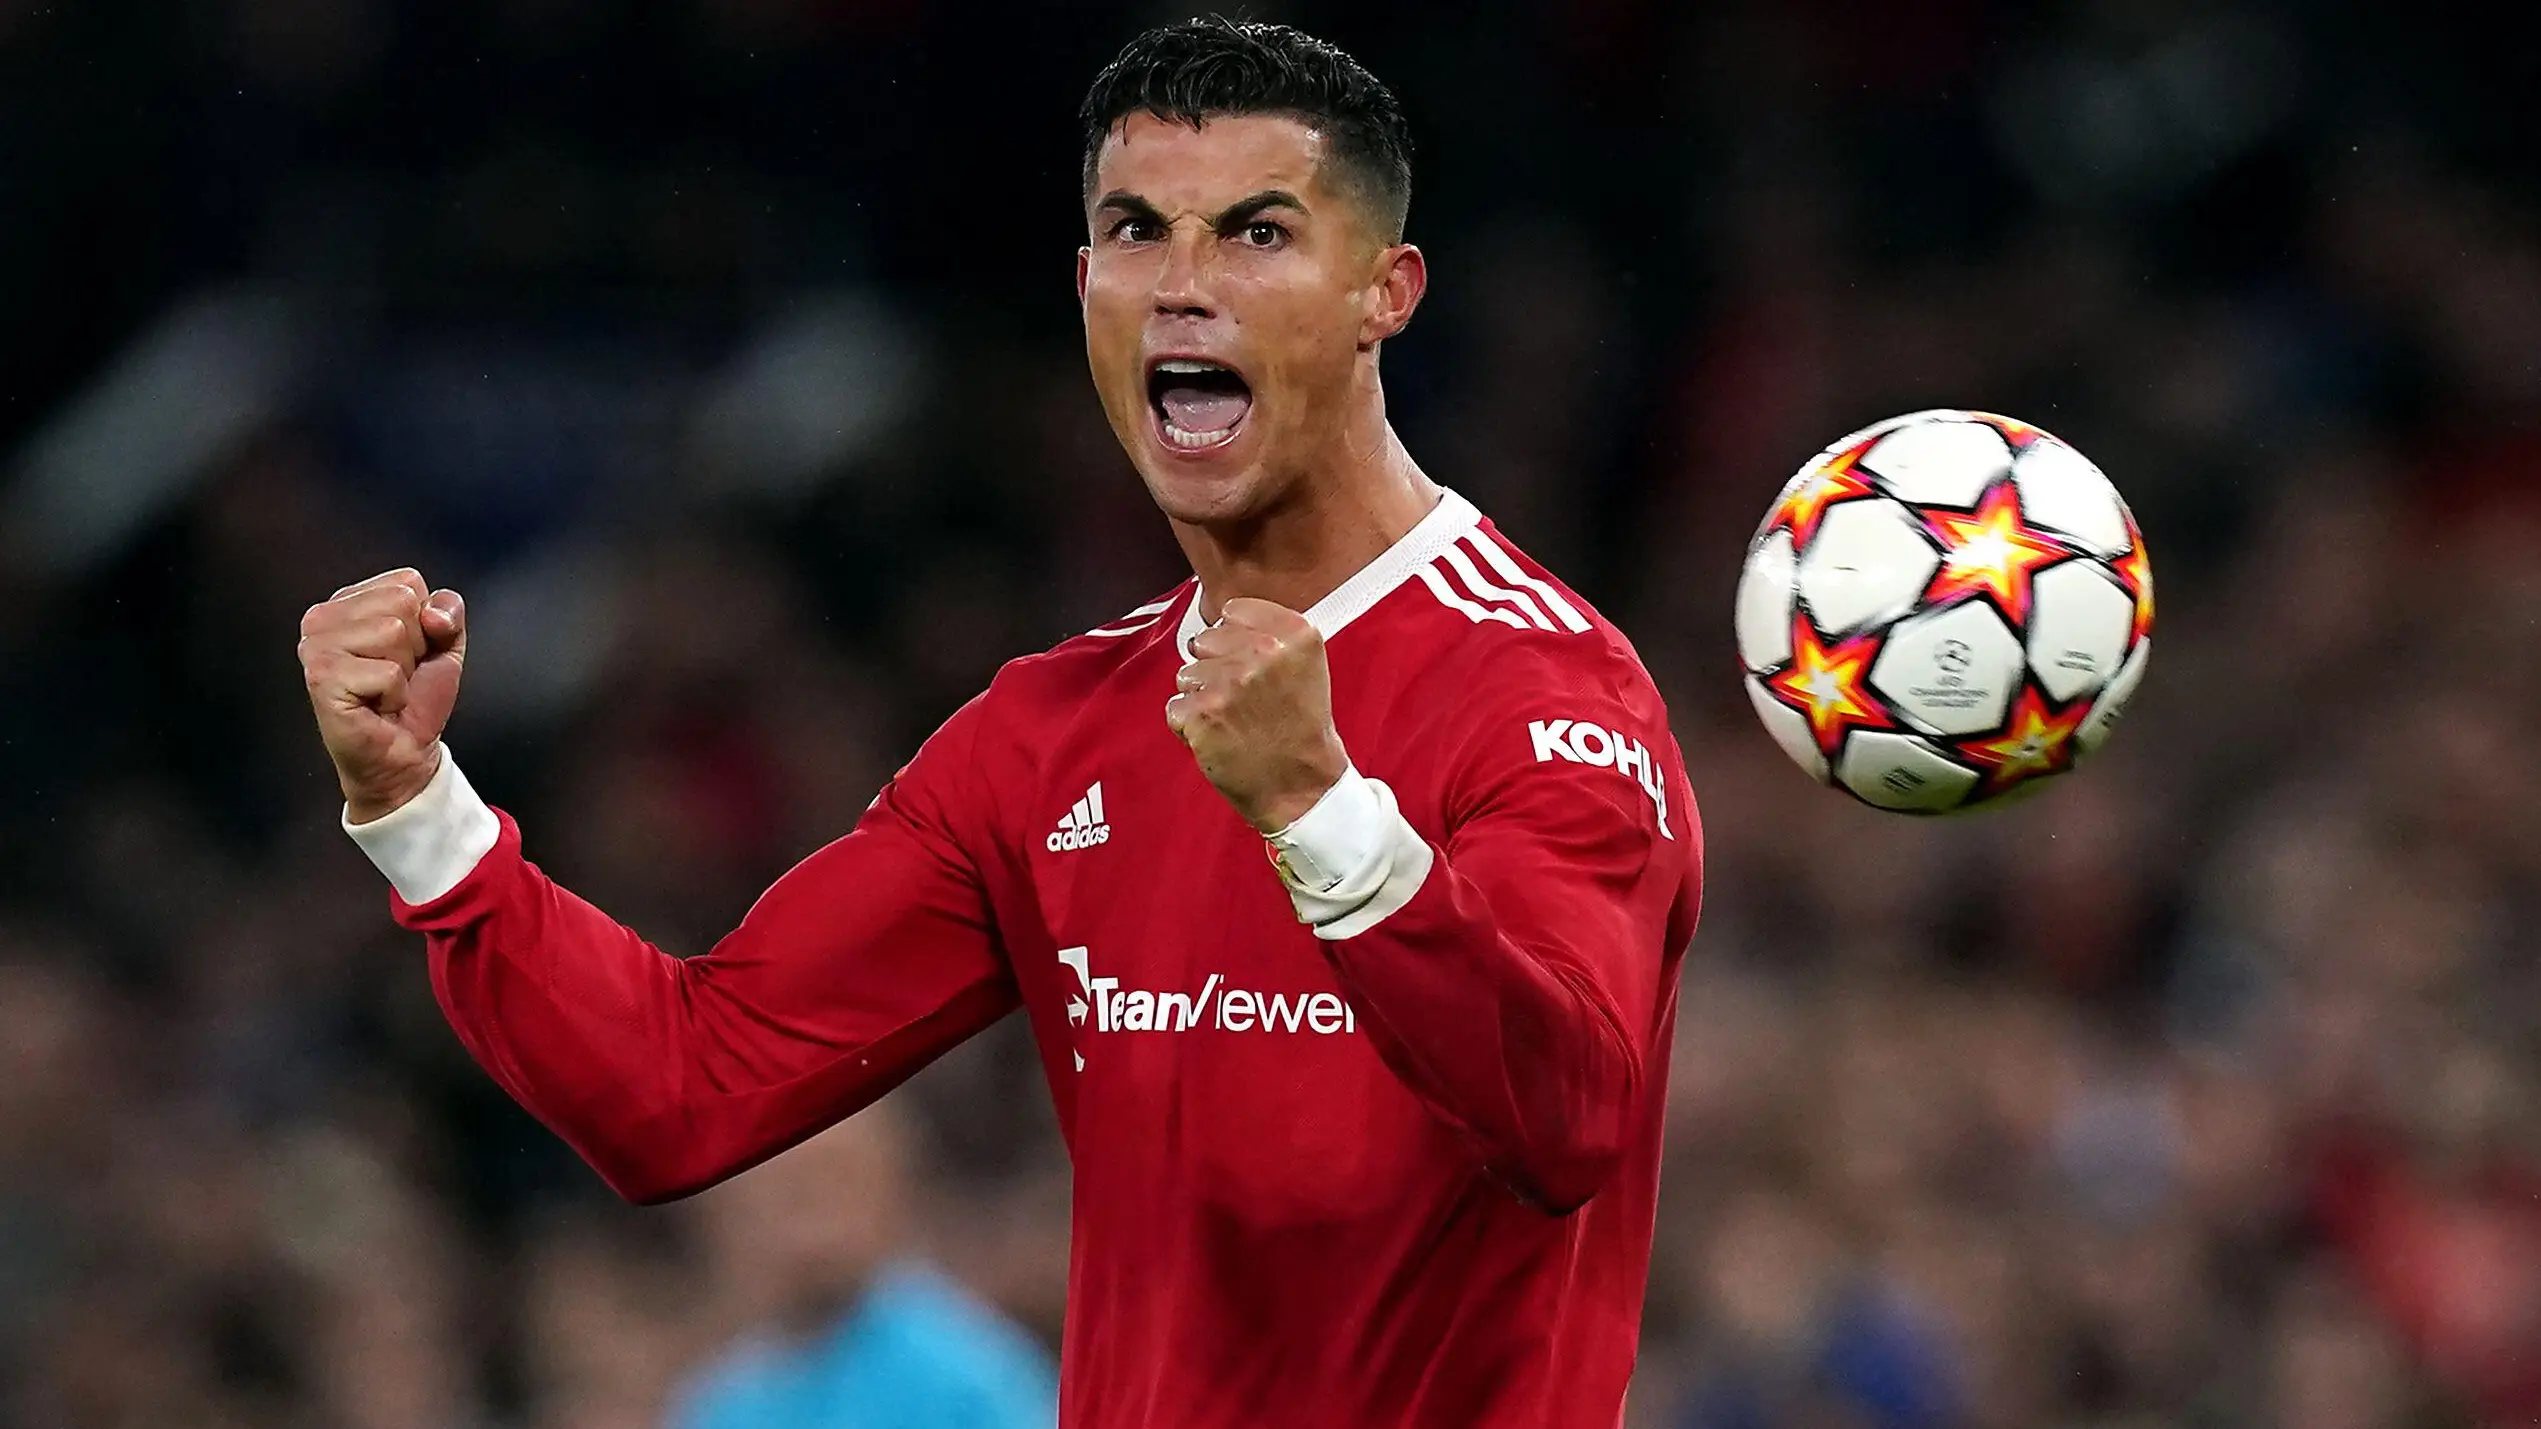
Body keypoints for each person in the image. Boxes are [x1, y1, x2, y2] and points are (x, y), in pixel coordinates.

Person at [295, 17, 1703, 1427]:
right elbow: (684, 1084)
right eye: (1137, 232)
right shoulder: (1048, 736)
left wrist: (1324, 814)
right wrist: (419, 810)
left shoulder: (1545, 690)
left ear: (1382, 292)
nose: (1184, 288)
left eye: (1258, 235)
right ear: (1085, 283)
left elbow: (1566, 1114)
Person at [671, 1104, 1058, 1429]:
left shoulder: (969, 1376)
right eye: (781, 1190)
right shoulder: (721, 1403)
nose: (806, 1219)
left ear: (890, 1181)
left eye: (831, 1179)